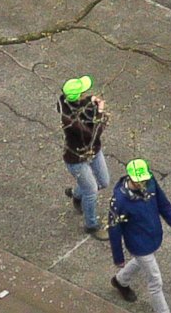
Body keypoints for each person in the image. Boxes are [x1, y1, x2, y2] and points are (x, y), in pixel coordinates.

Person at [107, 161, 171, 312]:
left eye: (144, 180)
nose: (143, 183)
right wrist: (118, 257)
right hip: (139, 244)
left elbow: (163, 203)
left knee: (141, 262)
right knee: (155, 281)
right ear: (130, 178)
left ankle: (120, 280)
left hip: (153, 237)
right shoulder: (119, 202)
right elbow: (114, 231)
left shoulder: (150, 182)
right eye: (139, 180)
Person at [60, 76, 111, 234]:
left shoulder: (70, 101)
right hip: (77, 159)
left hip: (93, 151)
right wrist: (100, 113)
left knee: (103, 182)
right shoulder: (71, 120)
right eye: (84, 92)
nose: (87, 93)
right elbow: (93, 134)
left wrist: (92, 100)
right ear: (78, 97)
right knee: (91, 191)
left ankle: (76, 194)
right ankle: (91, 225)